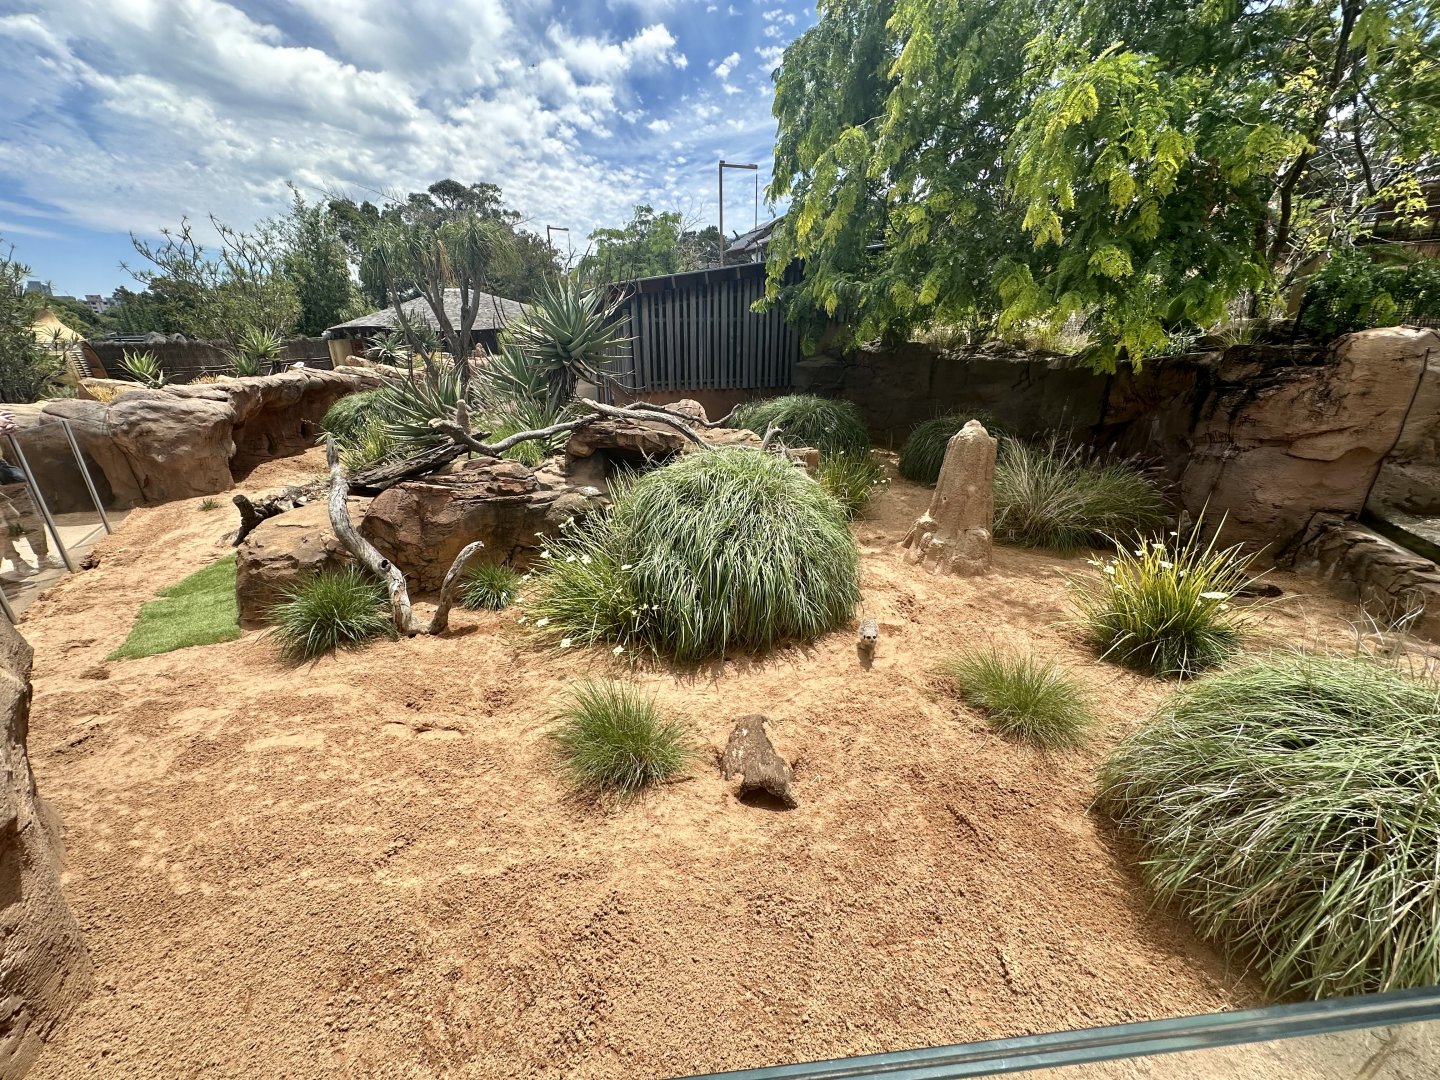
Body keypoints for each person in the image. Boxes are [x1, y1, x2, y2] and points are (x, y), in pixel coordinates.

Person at [0, 411, 63, 578]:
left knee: (30, 515)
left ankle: (43, 558)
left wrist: (4, 421)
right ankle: (17, 562)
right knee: (3, 525)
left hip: (3, 470)